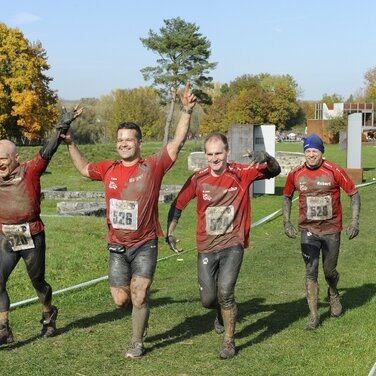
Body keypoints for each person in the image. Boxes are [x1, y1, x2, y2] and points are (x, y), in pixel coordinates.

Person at [61, 83, 197, 359]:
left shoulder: (152, 166)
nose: (123, 143)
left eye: (129, 139)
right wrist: (71, 142)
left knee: (139, 293)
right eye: (120, 139)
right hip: (117, 246)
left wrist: (186, 110)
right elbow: (85, 168)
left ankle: (136, 341)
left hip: (145, 243)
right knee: (121, 299)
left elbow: (177, 142)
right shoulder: (109, 169)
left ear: (139, 143)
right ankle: (139, 315)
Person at [166, 132, 281, 359]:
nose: (215, 158)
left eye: (219, 153)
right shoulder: (197, 178)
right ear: (205, 155)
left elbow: (274, 171)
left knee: (226, 292)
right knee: (208, 299)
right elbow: (178, 204)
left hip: (232, 244)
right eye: (210, 154)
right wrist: (170, 232)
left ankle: (229, 341)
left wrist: (267, 157)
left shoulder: (241, 173)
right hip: (206, 245)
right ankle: (219, 311)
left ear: (227, 152)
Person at [0, 105, 83, 345]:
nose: (0, 164)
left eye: (3, 159)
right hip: (6, 236)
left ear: (16, 158)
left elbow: (48, 150)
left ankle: (48, 313)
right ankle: (3, 328)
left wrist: (62, 126)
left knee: (37, 281)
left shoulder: (30, 171)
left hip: (31, 235)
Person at [282, 133, 360, 330]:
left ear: (321, 153)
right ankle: (314, 316)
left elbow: (354, 194)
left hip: (331, 229)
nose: (310, 155)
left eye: (314, 151)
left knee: (329, 271)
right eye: (307, 151)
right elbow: (286, 196)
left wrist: (354, 222)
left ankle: (333, 291)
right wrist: (286, 222)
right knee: (310, 271)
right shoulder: (296, 173)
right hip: (308, 230)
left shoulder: (333, 171)